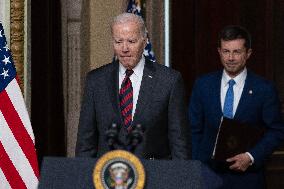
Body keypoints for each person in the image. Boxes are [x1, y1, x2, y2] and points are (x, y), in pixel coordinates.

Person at [75, 13, 189, 159]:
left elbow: (180, 144)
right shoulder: (96, 81)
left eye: (131, 41)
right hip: (107, 177)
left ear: (144, 40)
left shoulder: (169, 81)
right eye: (118, 41)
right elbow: (85, 144)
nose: (124, 48)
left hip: (155, 176)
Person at [189, 25, 284, 188]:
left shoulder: (264, 89)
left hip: (248, 179)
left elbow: (276, 131)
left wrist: (251, 156)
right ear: (219, 51)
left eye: (237, 52)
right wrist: (198, 165)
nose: (230, 58)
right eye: (226, 51)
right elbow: (192, 129)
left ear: (248, 54)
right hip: (207, 177)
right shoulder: (203, 85)